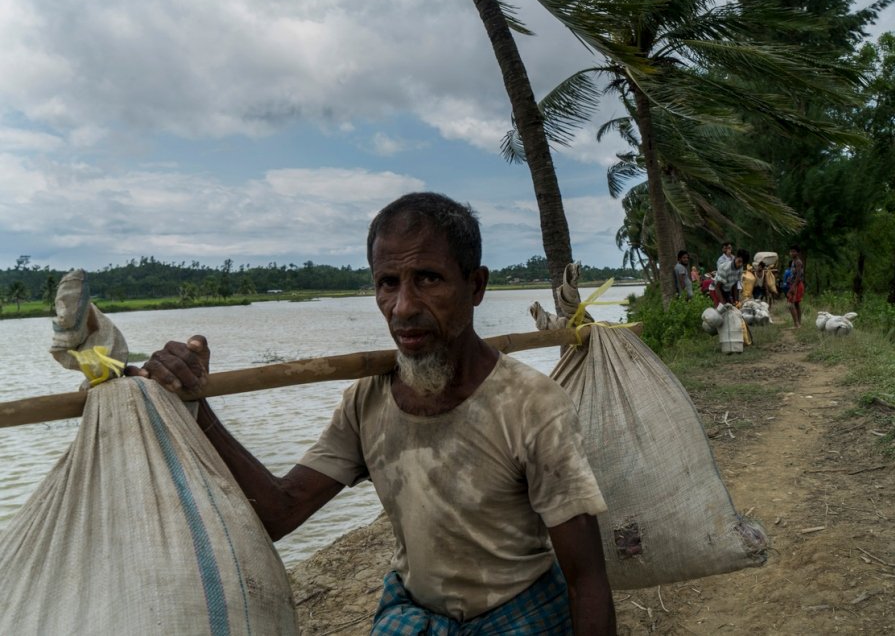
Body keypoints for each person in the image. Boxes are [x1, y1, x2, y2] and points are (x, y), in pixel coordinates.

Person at [132, 192, 617, 634]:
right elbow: (279, 513)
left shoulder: (532, 404)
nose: (403, 307)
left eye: (427, 279)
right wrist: (198, 408)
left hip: (519, 614)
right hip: (417, 615)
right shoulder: (368, 401)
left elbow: (587, 578)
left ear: (476, 285)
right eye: (388, 283)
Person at [787, 245, 805, 328]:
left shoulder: (798, 262)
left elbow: (798, 275)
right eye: (791, 251)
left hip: (797, 284)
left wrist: (793, 286)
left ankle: (796, 324)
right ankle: (798, 324)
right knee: (796, 304)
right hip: (794, 284)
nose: (792, 253)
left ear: (798, 253)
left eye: (794, 251)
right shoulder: (793, 261)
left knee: (791, 304)